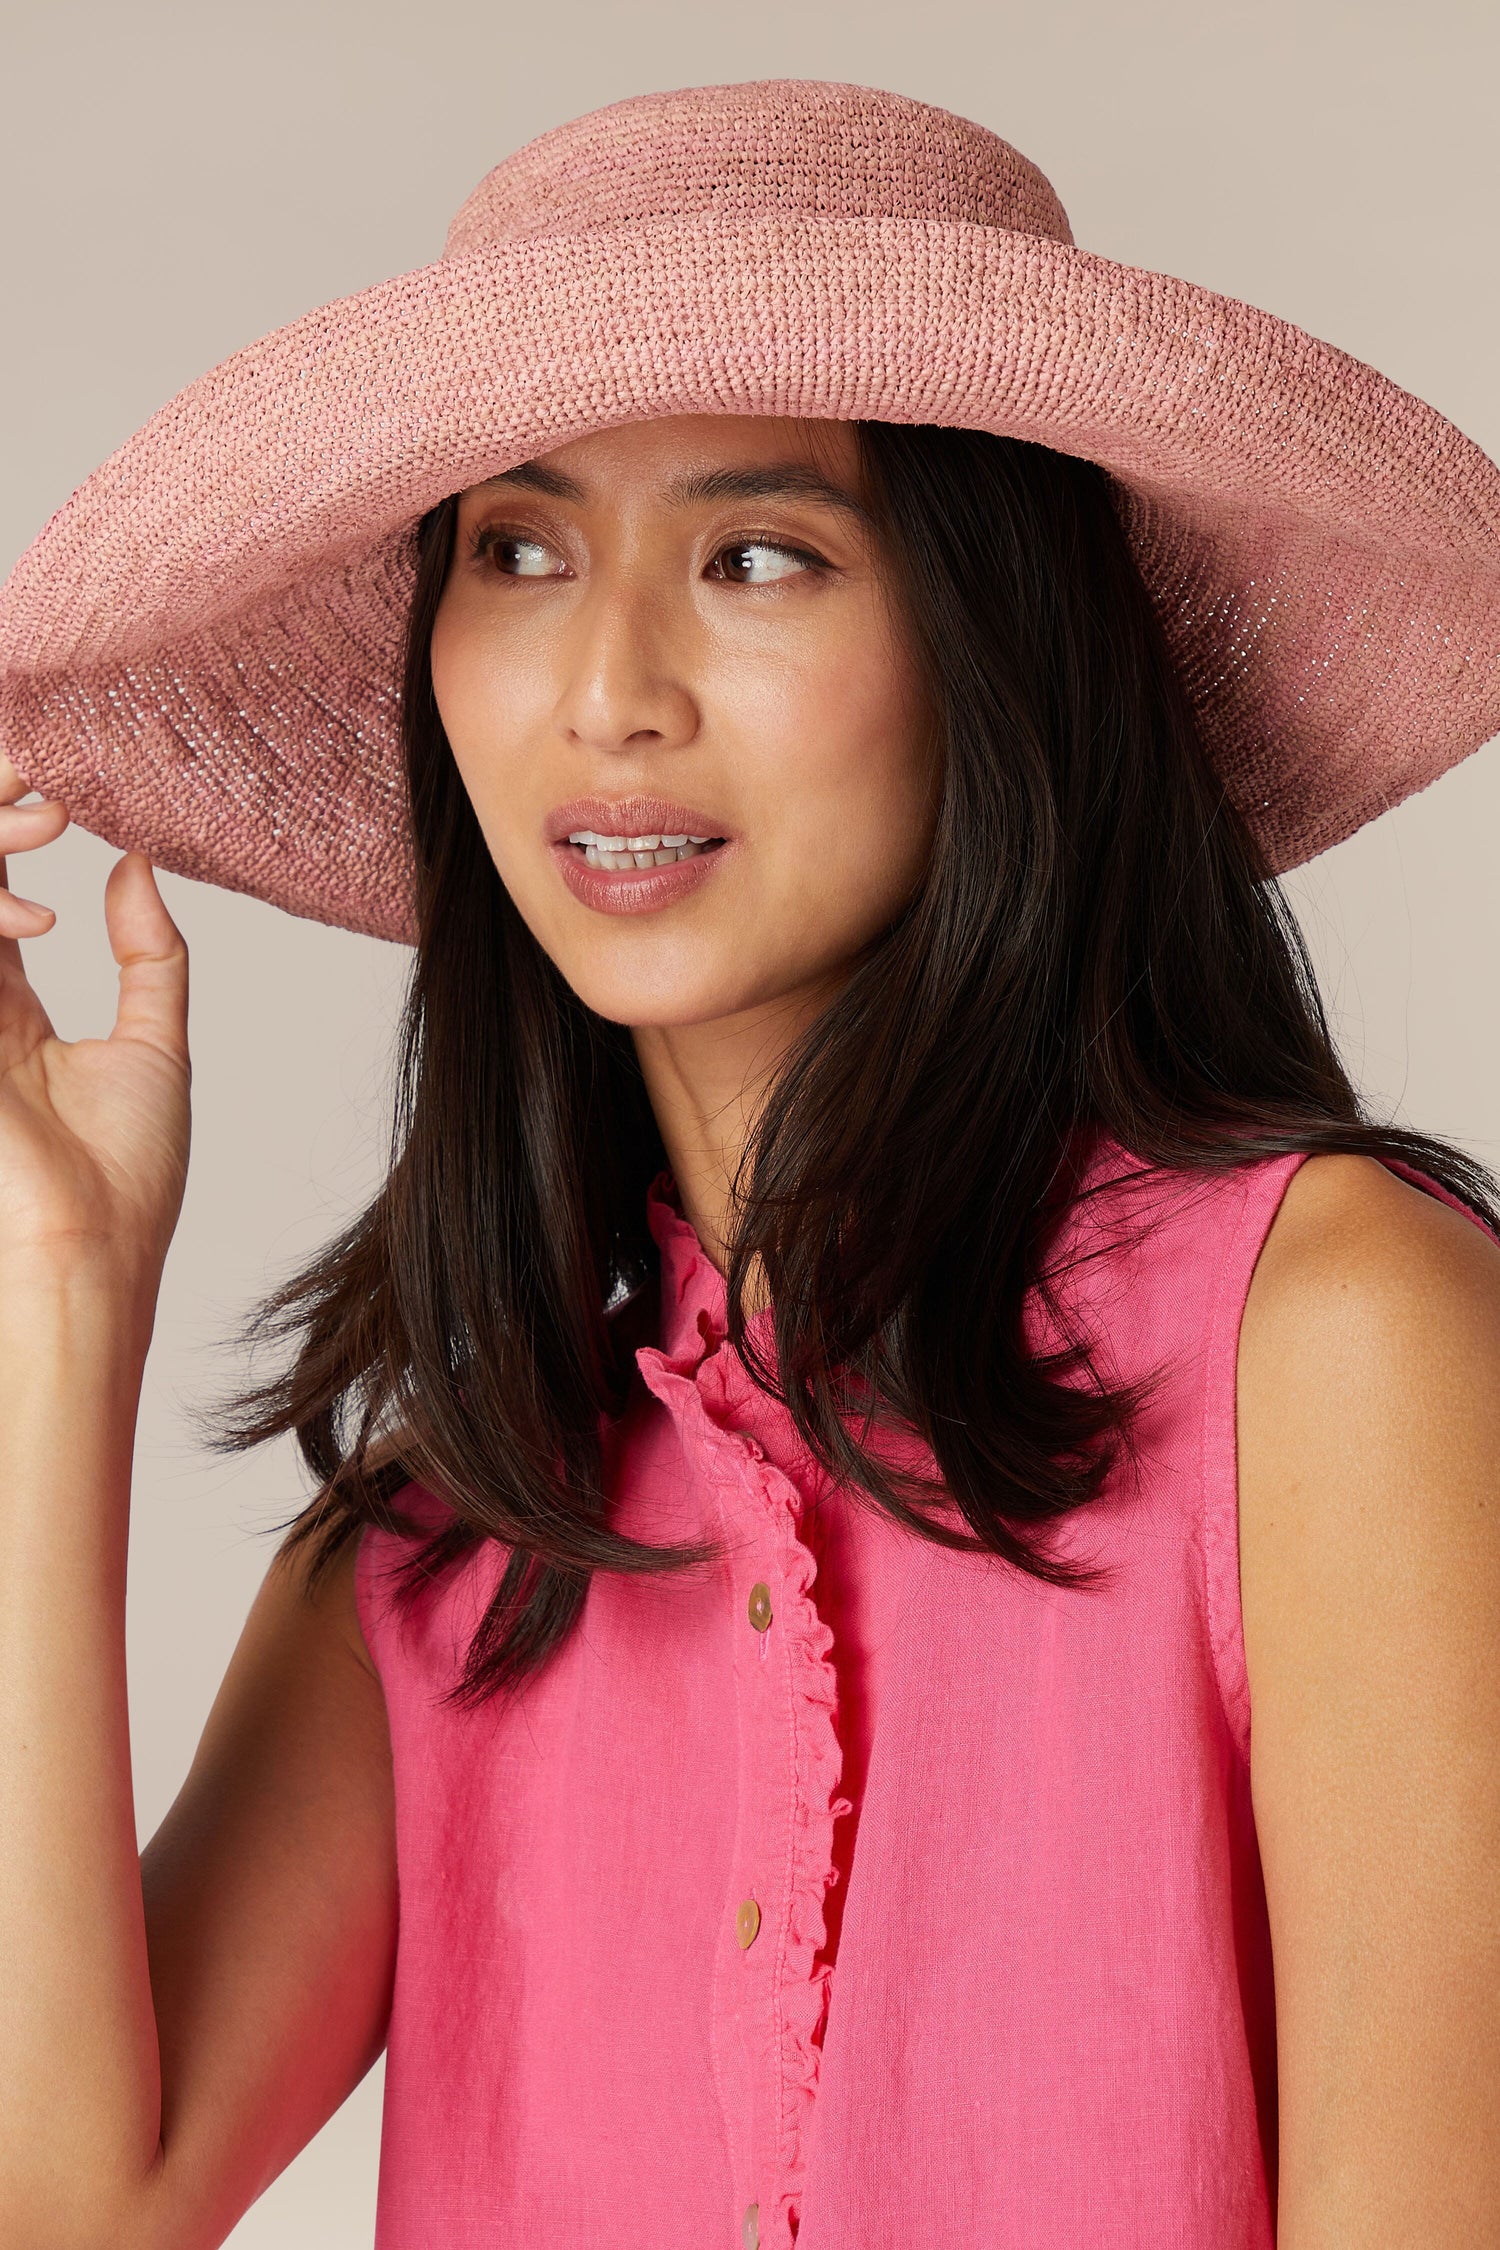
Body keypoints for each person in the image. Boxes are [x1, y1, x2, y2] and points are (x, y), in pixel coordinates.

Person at [0, 77, 1497, 2250]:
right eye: (516, 550)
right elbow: (66, 2198)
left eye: (757, 554)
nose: (608, 687)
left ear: (1001, 650)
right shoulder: (453, 1540)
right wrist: (52, 1309)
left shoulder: (1341, 1333)